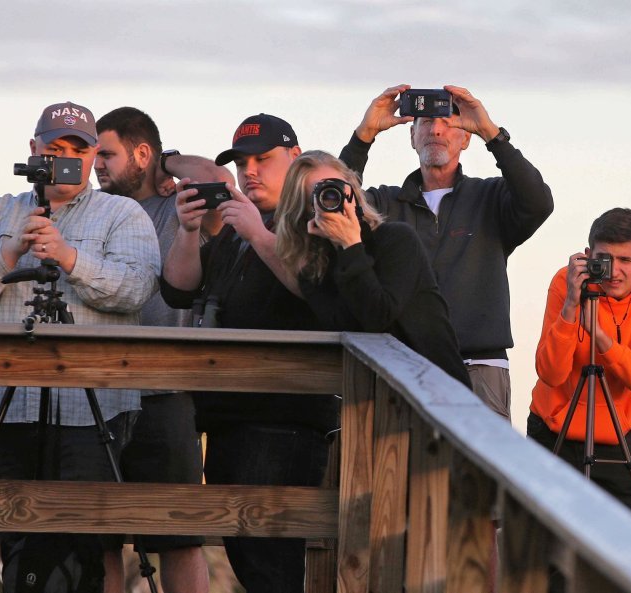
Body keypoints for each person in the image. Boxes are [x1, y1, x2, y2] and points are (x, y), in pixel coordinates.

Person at [0, 101, 161, 587]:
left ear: (92, 157)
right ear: (33, 151)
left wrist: (69, 257)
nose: (65, 159)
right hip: (4, 403)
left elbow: (135, 289)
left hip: (92, 407)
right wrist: (8, 253)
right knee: (11, 528)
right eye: (54, 148)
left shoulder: (122, 214)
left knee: (83, 535)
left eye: (78, 150)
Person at [160, 114, 339, 593]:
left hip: (284, 419)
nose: (250, 171)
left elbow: (314, 290)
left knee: (273, 566)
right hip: (227, 417)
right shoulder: (237, 224)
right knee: (250, 560)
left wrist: (260, 235)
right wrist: (188, 230)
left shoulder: (316, 218)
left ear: (295, 158)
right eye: (242, 162)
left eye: (263, 159)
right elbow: (180, 291)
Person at [339, 84, 554, 420]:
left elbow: (538, 201)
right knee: (401, 470)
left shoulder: (491, 198)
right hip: (405, 365)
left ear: (465, 137)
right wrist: (364, 135)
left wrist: (491, 133)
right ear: (412, 137)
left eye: (447, 121)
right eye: (424, 122)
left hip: (479, 367)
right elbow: (335, 206)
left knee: (482, 470)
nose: (436, 129)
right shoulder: (384, 203)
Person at [95, 106, 232, 593]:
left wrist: (165, 164)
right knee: (99, 536)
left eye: (107, 154)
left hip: (166, 391)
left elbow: (217, 176)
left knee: (179, 535)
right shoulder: (96, 210)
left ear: (142, 153)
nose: (96, 165)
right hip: (101, 396)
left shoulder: (178, 204)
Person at [527, 208, 631, 528]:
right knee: (544, 547)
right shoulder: (565, 282)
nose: (613, 272)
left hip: (619, 433)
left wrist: (602, 340)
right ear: (587, 255)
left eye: (626, 260)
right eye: (604, 259)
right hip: (554, 429)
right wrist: (571, 305)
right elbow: (551, 373)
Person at [273, 150, 472, 389]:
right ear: (305, 210)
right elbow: (350, 329)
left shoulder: (397, 240)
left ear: (354, 192)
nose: (332, 199)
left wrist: (350, 244)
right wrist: (346, 248)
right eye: (320, 194)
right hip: (374, 400)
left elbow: (379, 316)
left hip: (439, 393)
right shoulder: (314, 271)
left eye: (337, 189)